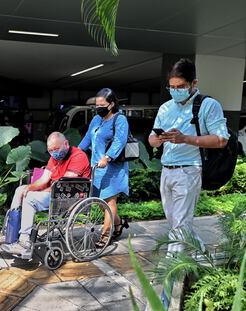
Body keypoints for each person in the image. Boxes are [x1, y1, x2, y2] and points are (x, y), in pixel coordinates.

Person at [148, 58, 229, 254]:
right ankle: (200, 252)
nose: (176, 90)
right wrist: (158, 140)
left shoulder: (209, 105)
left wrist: (185, 139)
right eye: (172, 87)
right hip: (167, 170)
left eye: (181, 86)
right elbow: (151, 138)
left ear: (194, 83)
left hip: (189, 170)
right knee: (176, 221)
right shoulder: (165, 108)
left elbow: (221, 139)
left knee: (179, 226)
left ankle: (170, 275)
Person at [0, 132, 91, 257]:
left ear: (66, 144)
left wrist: (36, 192)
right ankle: (9, 234)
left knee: (30, 198)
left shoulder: (78, 156)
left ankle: (24, 242)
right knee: (20, 190)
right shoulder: (54, 158)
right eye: (51, 150)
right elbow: (44, 179)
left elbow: (65, 185)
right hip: (55, 192)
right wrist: (30, 187)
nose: (54, 153)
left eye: (56, 149)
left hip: (69, 197)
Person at [78, 87, 129, 248]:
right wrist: (76, 154)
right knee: (100, 202)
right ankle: (119, 223)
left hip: (112, 167)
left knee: (109, 201)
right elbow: (87, 138)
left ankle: (106, 235)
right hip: (96, 167)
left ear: (111, 104)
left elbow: (120, 141)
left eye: (102, 104)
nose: (98, 107)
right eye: (96, 104)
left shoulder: (119, 119)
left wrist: (107, 157)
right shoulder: (96, 120)